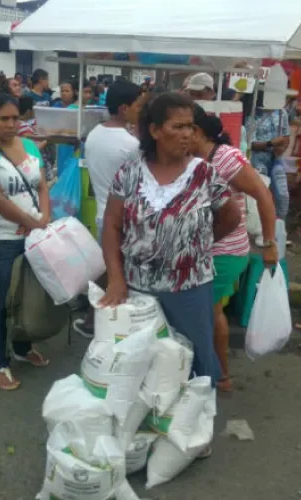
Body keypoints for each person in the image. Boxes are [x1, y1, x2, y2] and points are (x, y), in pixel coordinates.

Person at [97, 92, 241, 395]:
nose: (188, 134)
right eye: (178, 127)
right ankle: (148, 432)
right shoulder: (130, 173)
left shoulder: (204, 174)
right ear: (155, 130)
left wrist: (194, 246)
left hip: (190, 289)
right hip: (138, 287)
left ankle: (189, 434)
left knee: (191, 362)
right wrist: (115, 277)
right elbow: (111, 225)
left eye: (191, 126)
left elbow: (231, 217)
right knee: (142, 363)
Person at [0, 93, 53, 391]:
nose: (11, 124)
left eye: (15, 118)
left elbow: (42, 185)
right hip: (0, 240)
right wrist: (34, 223)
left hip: (34, 238)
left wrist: (44, 218)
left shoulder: (30, 146)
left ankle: (21, 346)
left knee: (27, 295)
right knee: (0, 301)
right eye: (3, 118)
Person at [191, 105, 278, 393]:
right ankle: (218, 374)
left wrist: (269, 244)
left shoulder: (225, 157)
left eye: (184, 128)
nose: (179, 134)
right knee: (212, 312)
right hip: (209, 249)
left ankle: (216, 376)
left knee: (205, 312)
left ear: (199, 132)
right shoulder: (195, 156)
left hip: (225, 251)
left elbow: (263, 196)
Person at [72, 80, 145, 338]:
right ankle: (116, 327)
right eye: (139, 105)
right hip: (125, 219)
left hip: (104, 213)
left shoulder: (95, 134)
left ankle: (93, 321)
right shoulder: (131, 145)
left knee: (107, 269)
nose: (141, 109)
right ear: (125, 108)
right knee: (122, 275)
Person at [247, 91, 291, 222]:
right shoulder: (253, 114)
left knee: (282, 194)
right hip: (257, 160)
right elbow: (250, 143)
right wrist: (271, 143)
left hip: (276, 159)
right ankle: (261, 228)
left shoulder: (281, 112)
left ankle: (279, 226)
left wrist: (282, 148)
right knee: (261, 195)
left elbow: (286, 135)